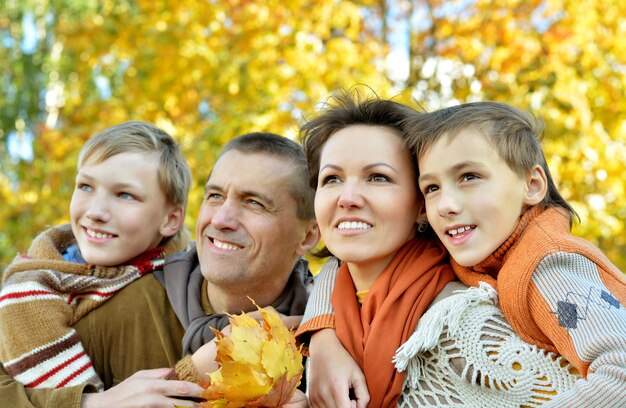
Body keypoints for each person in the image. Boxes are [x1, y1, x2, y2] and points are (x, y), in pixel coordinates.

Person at [296, 92, 583, 408]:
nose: (347, 197)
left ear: (422, 204)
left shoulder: (462, 326)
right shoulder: (327, 302)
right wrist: (319, 334)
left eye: (378, 177)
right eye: (332, 178)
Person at [406, 101, 626, 407]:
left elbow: (621, 373)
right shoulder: (485, 251)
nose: (445, 205)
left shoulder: (549, 265)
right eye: (431, 188)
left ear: (532, 186)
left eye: (469, 177)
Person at [78, 131, 319, 407]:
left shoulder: (326, 335)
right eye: (215, 196)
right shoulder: (118, 307)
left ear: (308, 237)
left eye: (254, 203)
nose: (221, 219)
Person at [0, 121, 191, 391]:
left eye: (125, 195)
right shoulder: (30, 292)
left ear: (170, 219)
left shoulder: (188, 276)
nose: (96, 211)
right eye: (86, 186)